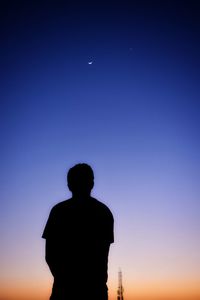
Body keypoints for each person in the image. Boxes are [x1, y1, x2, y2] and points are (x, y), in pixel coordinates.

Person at [42, 163, 114, 300]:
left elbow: (50, 255)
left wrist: (65, 280)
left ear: (69, 185)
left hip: (64, 290)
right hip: (95, 291)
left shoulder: (58, 211)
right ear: (92, 184)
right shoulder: (103, 212)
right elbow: (102, 253)